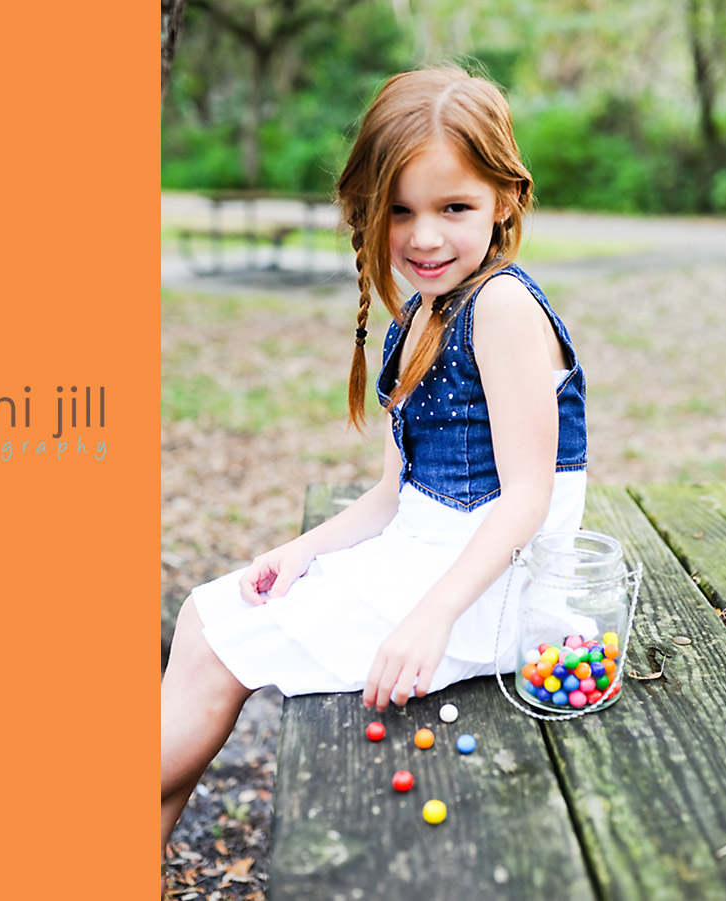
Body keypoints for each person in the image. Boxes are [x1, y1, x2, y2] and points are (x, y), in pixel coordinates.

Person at [161, 66, 587, 881]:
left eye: (453, 208)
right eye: (399, 210)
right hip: (435, 559)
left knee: (216, 644)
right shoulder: (423, 312)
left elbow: (527, 497)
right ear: (368, 209)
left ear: (503, 198)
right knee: (208, 614)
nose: (424, 237)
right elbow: (398, 495)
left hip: (489, 588)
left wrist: (430, 617)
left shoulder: (500, 309)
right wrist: (304, 549)